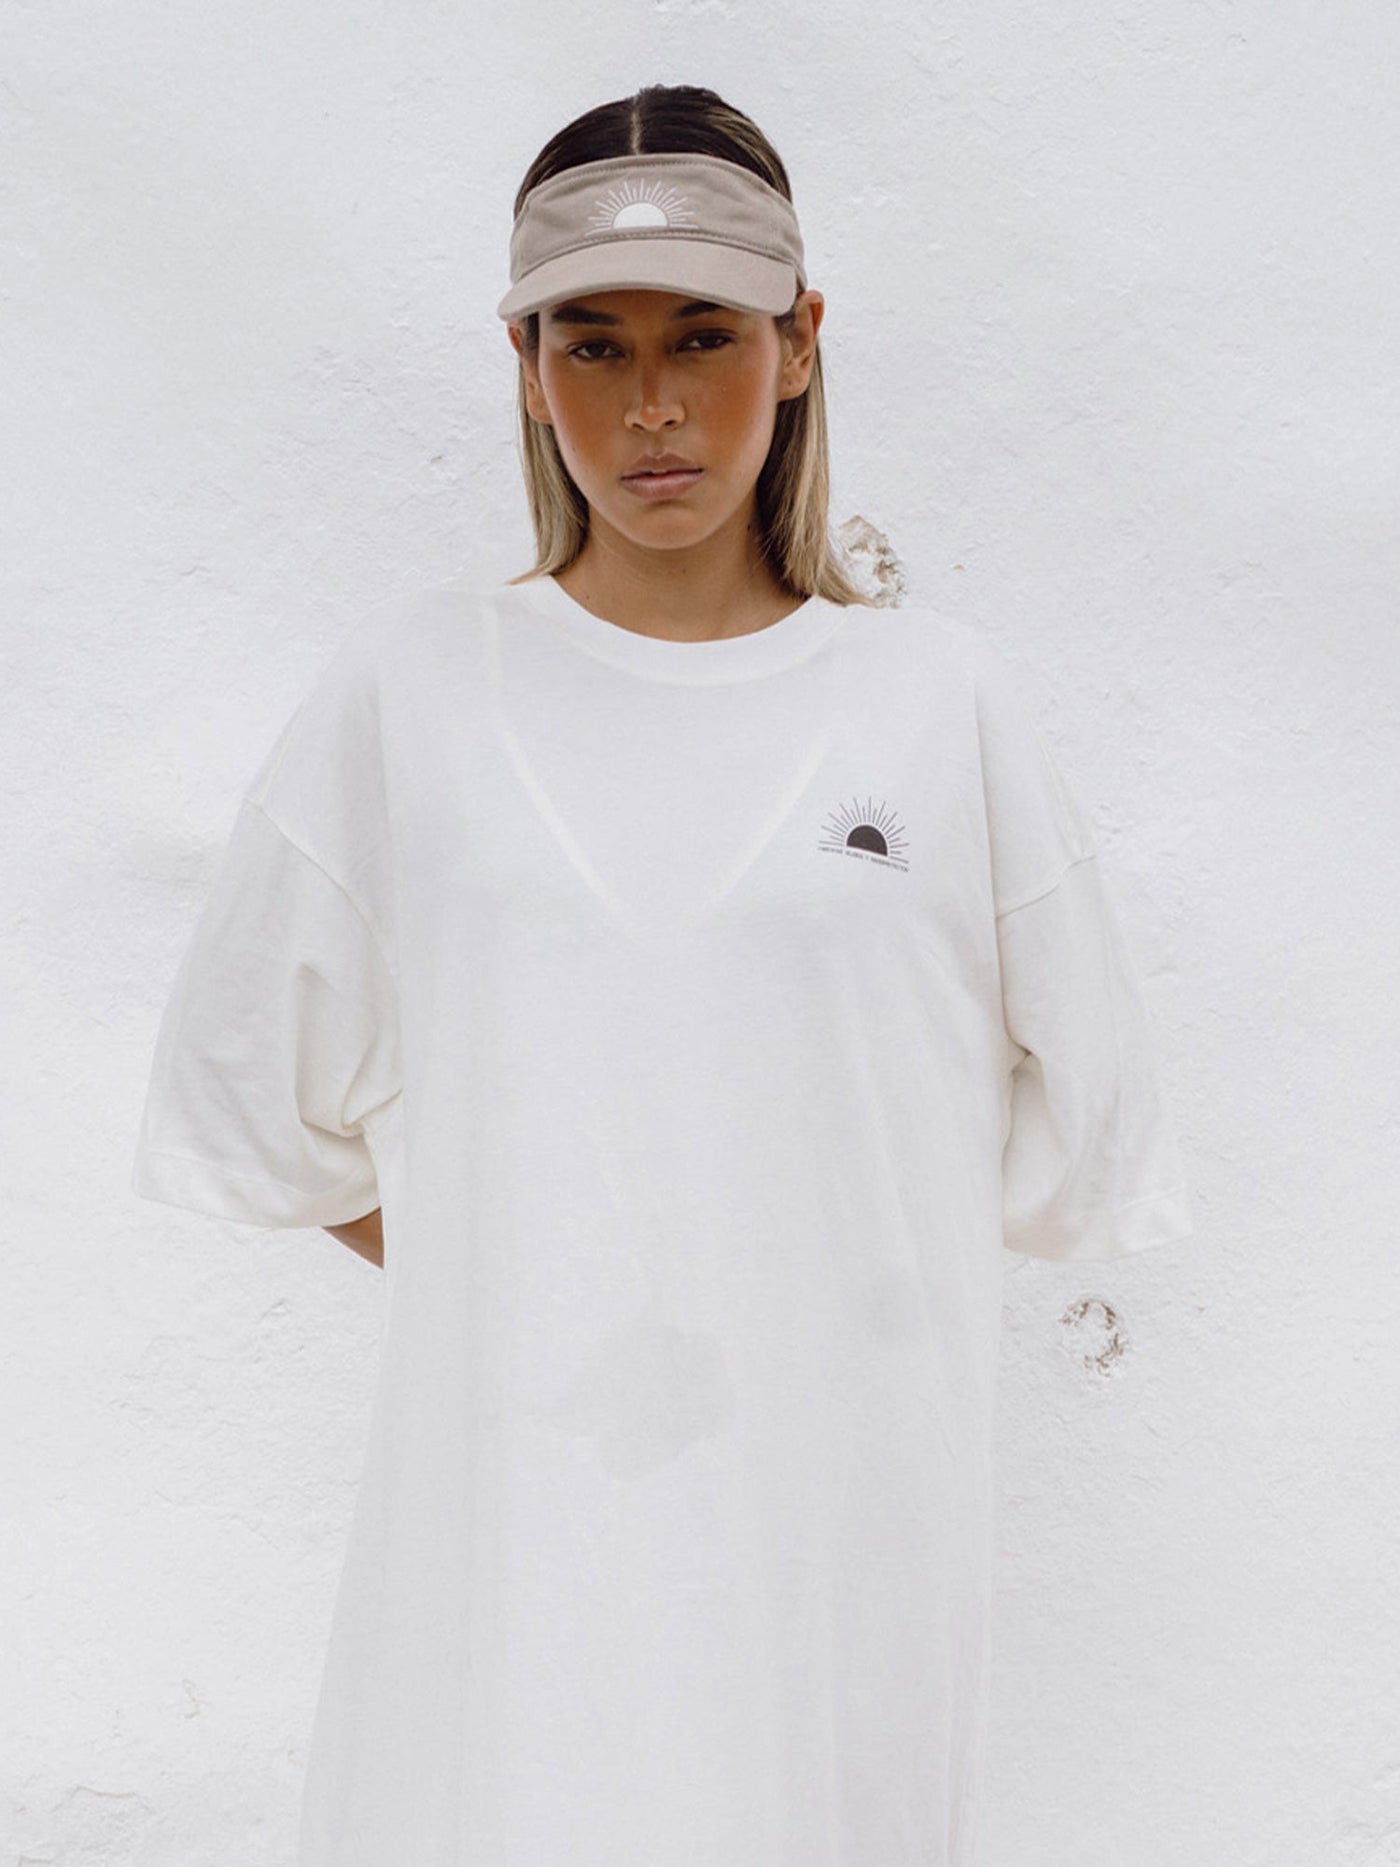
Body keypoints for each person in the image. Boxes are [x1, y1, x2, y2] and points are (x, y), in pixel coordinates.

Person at [132, 81, 1194, 1867]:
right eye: (592, 344)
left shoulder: (939, 704)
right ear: (524, 363)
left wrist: (788, 1272)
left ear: (801, 343)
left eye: (705, 335)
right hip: (508, 1566)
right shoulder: (414, 691)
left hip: (840, 1571)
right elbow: (252, 1102)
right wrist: (538, 1267)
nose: (651, 407)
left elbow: (1087, 1145)